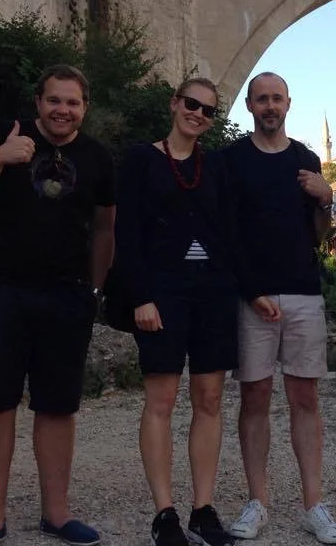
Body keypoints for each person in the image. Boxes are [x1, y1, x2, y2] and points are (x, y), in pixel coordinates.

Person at [0, 65, 116, 546]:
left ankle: (57, 514)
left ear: (85, 108)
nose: (63, 110)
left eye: (73, 102)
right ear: (38, 102)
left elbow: (105, 228)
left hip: (66, 293)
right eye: (54, 100)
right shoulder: (6, 133)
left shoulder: (97, 157)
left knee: (58, 406)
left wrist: (94, 291)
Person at [222, 73, 336, 544]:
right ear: (250, 105)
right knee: (254, 398)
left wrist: (326, 199)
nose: (270, 106)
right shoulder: (231, 160)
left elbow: (317, 236)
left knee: (305, 398)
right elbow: (226, 233)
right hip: (251, 296)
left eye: (277, 98)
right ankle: (258, 501)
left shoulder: (306, 160)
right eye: (262, 99)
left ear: (288, 104)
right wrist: (250, 290)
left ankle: (314, 504)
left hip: (303, 292)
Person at [116, 77, 242, 546]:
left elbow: (231, 229)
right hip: (162, 292)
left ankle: (203, 510)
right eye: (192, 103)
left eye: (208, 110)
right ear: (174, 103)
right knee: (162, 400)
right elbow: (126, 231)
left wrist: (244, 288)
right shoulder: (140, 159)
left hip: (213, 292)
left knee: (209, 399)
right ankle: (164, 513)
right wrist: (139, 296)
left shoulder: (217, 166)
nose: (198, 114)